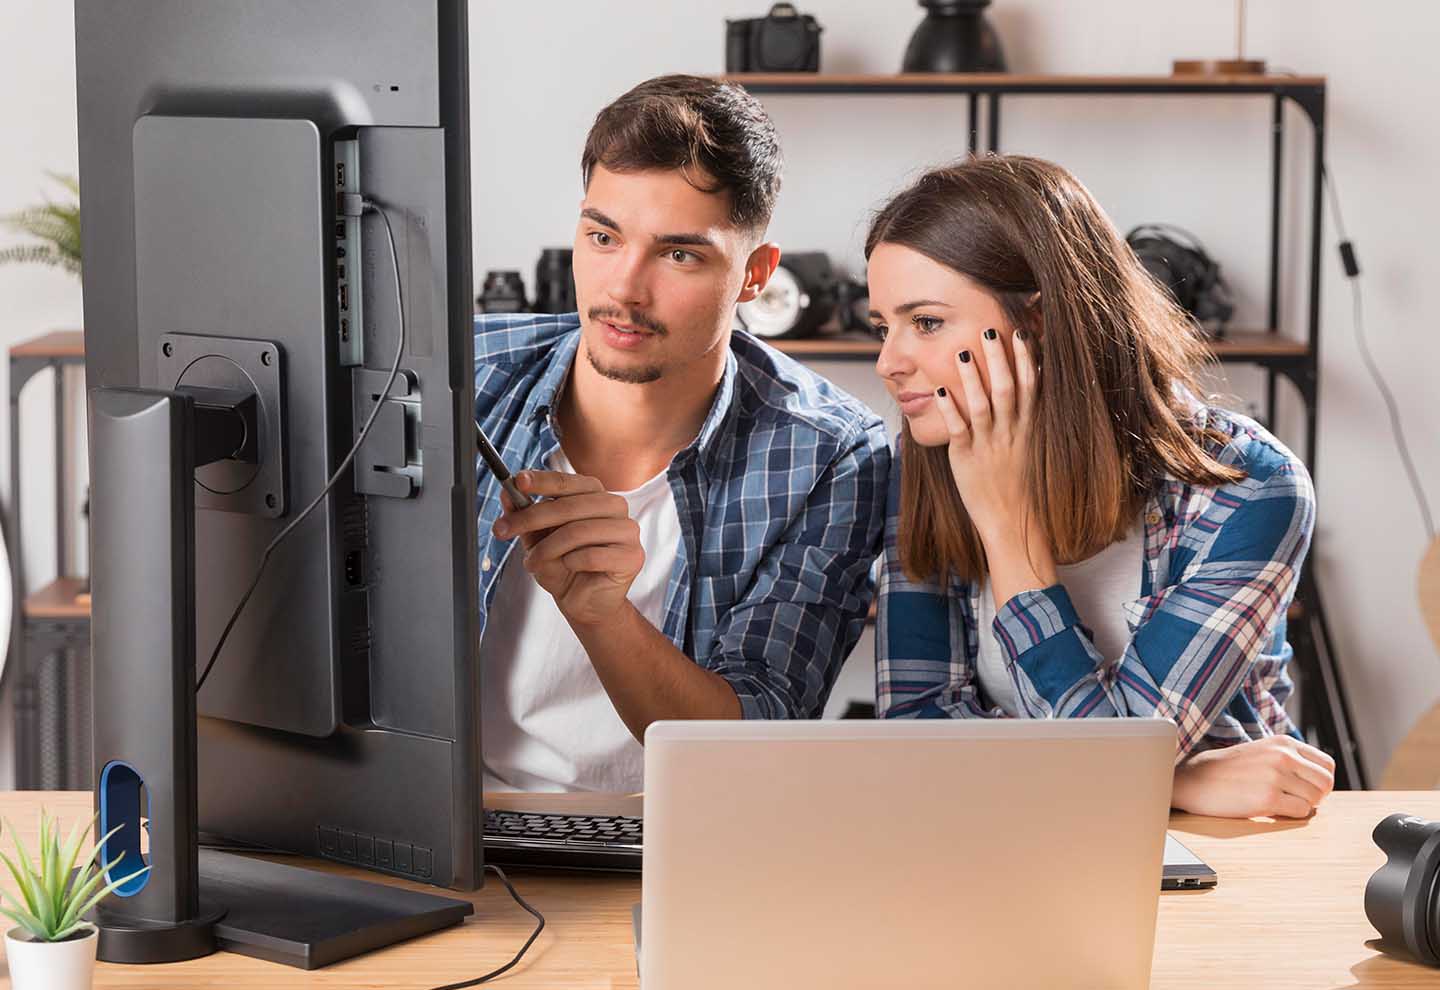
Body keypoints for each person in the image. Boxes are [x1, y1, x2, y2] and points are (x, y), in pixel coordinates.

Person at [869, 155, 1335, 819]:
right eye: (881, 326)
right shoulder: (924, 460)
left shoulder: (1249, 488)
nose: (889, 362)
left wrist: (1008, 533)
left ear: (1037, 324)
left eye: (926, 322)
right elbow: (915, 737)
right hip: (1010, 839)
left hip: (1222, 856)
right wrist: (1177, 784)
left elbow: (1108, 757)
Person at [475, 75, 890, 793]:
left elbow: (751, 749)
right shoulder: (460, 373)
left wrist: (605, 615)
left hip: (676, 850)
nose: (624, 289)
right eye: (603, 236)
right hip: (446, 837)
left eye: (679, 255)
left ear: (756, 275)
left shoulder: (833, 455)